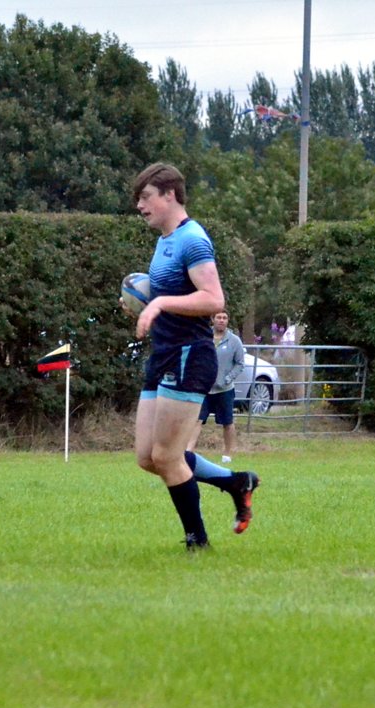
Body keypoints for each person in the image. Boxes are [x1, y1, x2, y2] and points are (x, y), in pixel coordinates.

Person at [126, 162, 259, 550]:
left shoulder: (193, 239)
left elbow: (214, 299)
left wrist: (159, 303)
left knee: (168, 456)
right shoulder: (164, 241)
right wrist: (144, 305)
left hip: (189, 355)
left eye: (146, 197)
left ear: (169, 194)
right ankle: (235, 482)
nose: (140, 206)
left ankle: (197, 542)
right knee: (147, 457)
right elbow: (174, 298)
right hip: (164, 353)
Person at [186, 311, 245, 463]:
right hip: (204, 389)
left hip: (225, 390)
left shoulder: (234, 341)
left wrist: (228, 378)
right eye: (219, 317)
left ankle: (228, 454)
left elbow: (240, 364)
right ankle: (188, 452)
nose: (222, 320)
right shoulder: (204, 337)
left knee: (227, 422)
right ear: (213, 319)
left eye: (225, 318)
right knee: (197, 420)